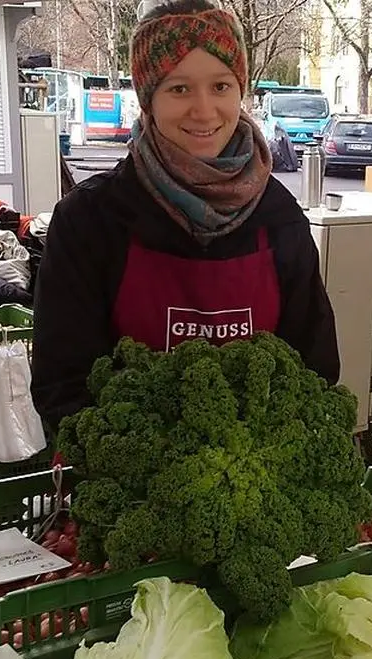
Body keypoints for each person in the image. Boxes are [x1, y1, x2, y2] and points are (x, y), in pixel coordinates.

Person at [30, 0, 339, 432]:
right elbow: (63, 385)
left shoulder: (278, 215)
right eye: (178, 88)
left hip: (255, 485)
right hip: (130, 488)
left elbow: (315, 368)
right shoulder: (89, 220)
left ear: (240, 91)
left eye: (220, 86)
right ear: (147, 99)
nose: (204, 110)